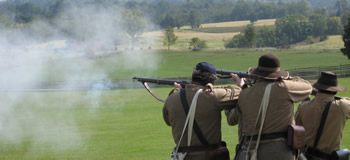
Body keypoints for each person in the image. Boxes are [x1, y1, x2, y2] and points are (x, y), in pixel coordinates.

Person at [226, 53, 312, 160]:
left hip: (250, 151)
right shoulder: (284, 87)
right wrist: (287, 78)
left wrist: (242, 87)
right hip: (279, 151)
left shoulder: (245, 94)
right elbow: (308, 87)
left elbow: (231, 120)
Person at [162, 62, 243, 160]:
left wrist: (184, 94)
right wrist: (241, 84)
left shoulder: (171, 99)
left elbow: (168, 121)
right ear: (212, 79)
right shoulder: (212, 96)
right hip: (208, 156)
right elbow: (239, 92)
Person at [295, 72, 350, 160]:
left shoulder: (303, 107)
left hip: (306, 156)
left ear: (317, 87)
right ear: (335, 90)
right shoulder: (341, 106)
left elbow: (296, 131)